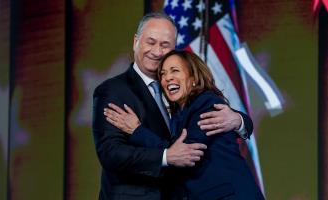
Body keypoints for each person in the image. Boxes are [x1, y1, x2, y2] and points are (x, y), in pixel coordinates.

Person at [93, 12, 253, 200]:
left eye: (165, 45)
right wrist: (165, 156)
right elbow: (110, 153)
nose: (157, 51)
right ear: (136, 41)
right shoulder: (113, 90)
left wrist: (238, 120)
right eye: (151, 42)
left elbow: (196, 133)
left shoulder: (180, 93)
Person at [105, 49, 264, 200]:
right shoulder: (178, 117)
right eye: (163, 74)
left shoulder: (207, 102)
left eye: (175, 70)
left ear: (193, 78)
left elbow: (186, 154)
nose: (167, 78)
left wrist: (136, 130)